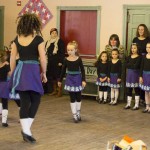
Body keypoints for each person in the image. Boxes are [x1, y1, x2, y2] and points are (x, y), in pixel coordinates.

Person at [9, 13, 47, 143]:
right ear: (34, 25)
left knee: (25, 101)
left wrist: (12, 72)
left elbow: (12, 58)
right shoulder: (38, 39)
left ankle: (26, 130)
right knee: (35, 100)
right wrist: (44, 73)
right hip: (33, 71)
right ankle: (26, 131)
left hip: (20, 71)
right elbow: (43, 58)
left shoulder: (16, 39)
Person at [58, 41, 86, 123]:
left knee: (78, 97)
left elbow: (83, 70)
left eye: (71, 50)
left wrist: (83, 80)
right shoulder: (66, 60)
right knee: (72, 97)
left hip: (77, 79)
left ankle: (78, 113)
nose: (69, 51)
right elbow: (63, 71)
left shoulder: (79, 59)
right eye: (68, 50)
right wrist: (60, 80)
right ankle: (74, 115)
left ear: (75, 50)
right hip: (70, 79)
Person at [132, 24, 150, 104]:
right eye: (139, 29)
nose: (140, 31)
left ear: (145, 30)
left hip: (146, 60)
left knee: (145, 79)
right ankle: (138, 99)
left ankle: (144, 99)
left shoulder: (148, 39)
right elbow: (133, 49)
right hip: (137, 59)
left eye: (142, 29)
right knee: (138, 79)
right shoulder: (135, 39)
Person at [45, 28, 65, 97]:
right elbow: (46, 52)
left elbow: (62, 53)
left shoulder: (60, 41)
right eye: (53, 33)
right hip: (50, 61)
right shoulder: (48, 42)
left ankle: (59, 91)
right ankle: (54, 90)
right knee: (52, 76)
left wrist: (60, 61)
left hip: (57, 61)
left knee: (58, 76)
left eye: (55, 33)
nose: (54, 34)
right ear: (50, 34)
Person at [124, 43, 142, 110]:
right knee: (129, 90)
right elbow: (126, 65)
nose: (133, 49)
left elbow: (136, 66)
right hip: (129, 76)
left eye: (134, 48)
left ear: (137, 49)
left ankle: (136, 105)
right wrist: (132, 64)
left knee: (137, 90)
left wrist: (130, 64)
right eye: (132, 48)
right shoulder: (128, 57)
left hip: (136, 76)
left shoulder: (139, 57)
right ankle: (128, 104)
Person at [0, 51, 10, 127]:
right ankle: (4, 121)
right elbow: (10, 74)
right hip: (4, 85)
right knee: (4, 102)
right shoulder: (6, 65)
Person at [139, 42, 150, 113]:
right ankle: (147, 106)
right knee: (146, 92)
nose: (148, 49)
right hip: (145, 76)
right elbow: (141, 67)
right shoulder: (144, 57)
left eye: (149, 47)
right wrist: (140, 76)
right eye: (147, 47)